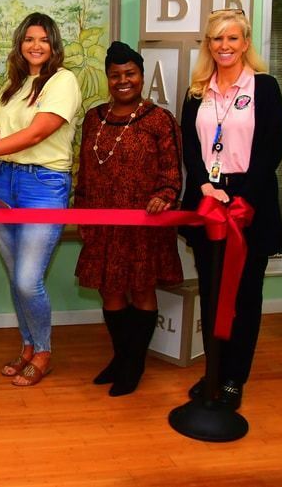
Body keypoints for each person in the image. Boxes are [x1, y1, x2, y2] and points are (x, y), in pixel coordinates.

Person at [0, 12, 81, 386]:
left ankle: (43, 350)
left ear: (54, 45)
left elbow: (38, 133)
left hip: (44, 185)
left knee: (27, 279)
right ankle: (27, 346)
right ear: (20, 44)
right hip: (2, 182)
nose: (35, 46)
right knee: (15, 275)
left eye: (43, 39)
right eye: (28, 39)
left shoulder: (63, 81)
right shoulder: (16, 86)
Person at [180, 9, 282, 410]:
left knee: (243, 296)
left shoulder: (264, 87)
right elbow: (190, 145)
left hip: (249, 200)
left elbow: (271, 149)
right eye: (216, 39)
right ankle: (214, 369)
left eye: (232, 38)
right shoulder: (197, 91)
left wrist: (244, 197)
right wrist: (206, 185)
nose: (224, 46)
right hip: (208, 197)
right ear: (208, 45)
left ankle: (234, 378)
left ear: (245, 43)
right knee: (211, 291)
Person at [74, 41, 183, 396]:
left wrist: (163, 197)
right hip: (102, 222)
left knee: (141, 289)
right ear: (108, 79)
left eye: (130, 74)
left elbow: (171, 172)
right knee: (110, 290)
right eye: (115, 75)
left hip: (143, 224)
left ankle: (134, 364)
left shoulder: (159, 119)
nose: (123, 81)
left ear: (141, 76)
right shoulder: (94, 118)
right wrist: (83, 214)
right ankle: (121, 357)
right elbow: (86, 173)